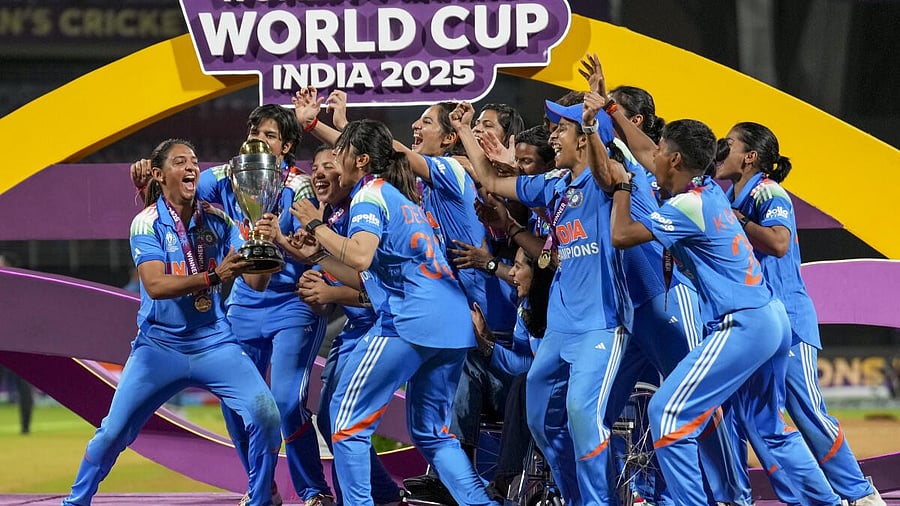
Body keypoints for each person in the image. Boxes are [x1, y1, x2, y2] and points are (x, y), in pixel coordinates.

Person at [605, 116, 841, 506]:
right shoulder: (708, 189)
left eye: (662, 151)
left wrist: (621, 187)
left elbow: (621, 235)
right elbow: (647, 152)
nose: (654, 156)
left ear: (676, 159)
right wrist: (613, 111)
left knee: (666, 412)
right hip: (768, 318)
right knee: (768, 428)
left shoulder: (688, 204)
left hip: (744, 323)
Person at [279, 119, 499, 506]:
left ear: (361, 160)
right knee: (432, 431)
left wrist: (314, 223)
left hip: (410, 322)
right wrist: (317, 250)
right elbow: (366, 272)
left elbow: (360, 255)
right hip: (452, 325)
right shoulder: (403, 200)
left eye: (341, 153)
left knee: (346, 428)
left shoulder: (370, 195)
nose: (334, 161)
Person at [62, 139, 282, 506]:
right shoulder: (146, 223)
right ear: (160, 176)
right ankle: (75, 502)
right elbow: (155, 284)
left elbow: (255, 282)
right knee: (113, 432)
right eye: (180, 162)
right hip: (158, 348)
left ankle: (260, 501)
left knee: (266, 416)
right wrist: (214, 277)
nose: (192, 167)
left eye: (194, 161)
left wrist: (261, 248)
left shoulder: (219, 220)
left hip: (215, 342)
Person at [132, 104, 331, 506]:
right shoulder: (225, 176)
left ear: (288, 145)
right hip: (242, 303)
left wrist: (280, 240)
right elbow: (177, 196)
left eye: (270, 135)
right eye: (255, 131)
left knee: (286, 402)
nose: (259, 138)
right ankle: (263, 489)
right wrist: (148, 183)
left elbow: (315, 252)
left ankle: (313, 490)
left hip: (293, 303)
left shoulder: (303, 188)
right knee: (234, 402)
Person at [454, 98, 633, 505]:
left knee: (583, 418)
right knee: (539, 419)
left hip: (600, 327)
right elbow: (491, 180)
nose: (552, 135)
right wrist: (465, 130)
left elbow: (606, 171)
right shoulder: (555, 186)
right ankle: (575, 498)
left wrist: (590, 123)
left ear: (585, 139)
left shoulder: (608, 182)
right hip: (559, 329)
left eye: (561, 129)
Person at [719, 121, 884, 506]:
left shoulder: (768, 192)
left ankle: (861, 496)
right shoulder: (729, 200)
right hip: (754, 324)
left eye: (728, 144)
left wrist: (738, 222)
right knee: (746, 415)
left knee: (806, 410)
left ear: (750, 157)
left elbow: (778, 243)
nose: (719, 151)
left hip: (789, 321)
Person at [296, 145, 403, 506]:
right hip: (354, 332)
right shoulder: (332, 217)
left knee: (345, 423)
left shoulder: (361, 212)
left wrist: (329, 292)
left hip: (382, 330)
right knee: (331, 421)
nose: (321, 173)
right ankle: (384, 495)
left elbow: (374, 288)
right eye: (316, 166)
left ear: (347, 171)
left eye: (330, 166)